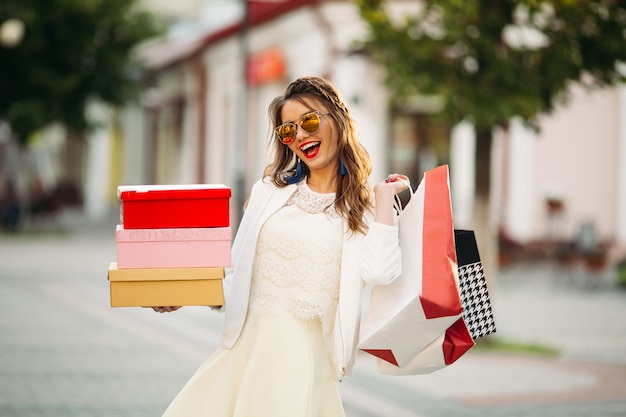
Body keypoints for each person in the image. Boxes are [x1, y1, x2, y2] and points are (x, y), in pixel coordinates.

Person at [153, 76, 409, 417]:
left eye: (310, 121)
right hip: (244, 356)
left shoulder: (365, 206)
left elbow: (381, 271)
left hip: (304, 365)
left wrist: (382, 199)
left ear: (338, 119)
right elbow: (239, 279)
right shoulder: (267, 193)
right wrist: (183, 294)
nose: (300, 135)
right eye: (288, 130)